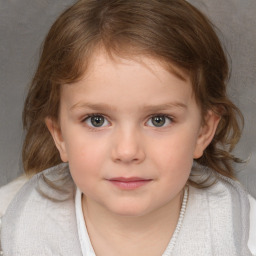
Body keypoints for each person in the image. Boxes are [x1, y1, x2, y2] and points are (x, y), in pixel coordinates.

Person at [0, 0, 255, 255]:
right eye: (96, 120)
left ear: (203, 131)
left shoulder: (242, 230)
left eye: (159, 120)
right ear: (59, 135)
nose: (127, 151)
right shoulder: (12, 224)